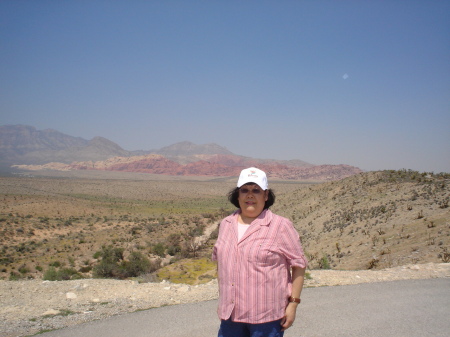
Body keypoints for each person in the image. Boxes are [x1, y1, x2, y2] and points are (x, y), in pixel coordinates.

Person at [212, 167, 308, 337]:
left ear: (266, 195)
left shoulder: (280, 226)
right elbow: (221, 265)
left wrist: (293, 304)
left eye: (256, 190)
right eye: (245, 190)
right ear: (238, 195)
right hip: (230, 317)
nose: (250, 195)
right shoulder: (226, 225)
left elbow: (299, 265)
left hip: (266, 319)